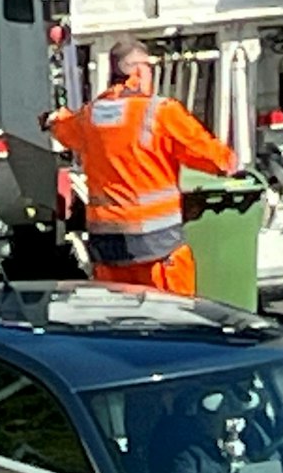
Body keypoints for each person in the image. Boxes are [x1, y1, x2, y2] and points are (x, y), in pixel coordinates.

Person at [47, 36, 237, 296]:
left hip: (108, 248)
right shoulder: (160, 112)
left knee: (122, 323)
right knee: (175, 321)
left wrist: (53, 119)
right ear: (138, 71)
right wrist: (229, 161)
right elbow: (213, 158)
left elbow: (63, 129)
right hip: (157, 248)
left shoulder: (91, 116)